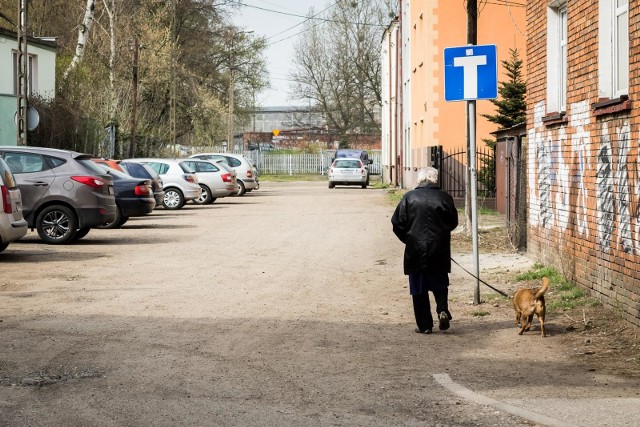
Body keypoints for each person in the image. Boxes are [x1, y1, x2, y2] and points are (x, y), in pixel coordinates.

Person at [391, 167, 458, 334]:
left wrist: (408, 239)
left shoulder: (409, 198)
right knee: (440, 282)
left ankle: (425, 325)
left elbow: (397, 223)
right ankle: (442, 309)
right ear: (435, 179)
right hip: (439, 249)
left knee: (418, 287)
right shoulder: (445, 197)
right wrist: (442, 234)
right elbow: (453, 222)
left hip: (415, 249)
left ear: (419, 179)